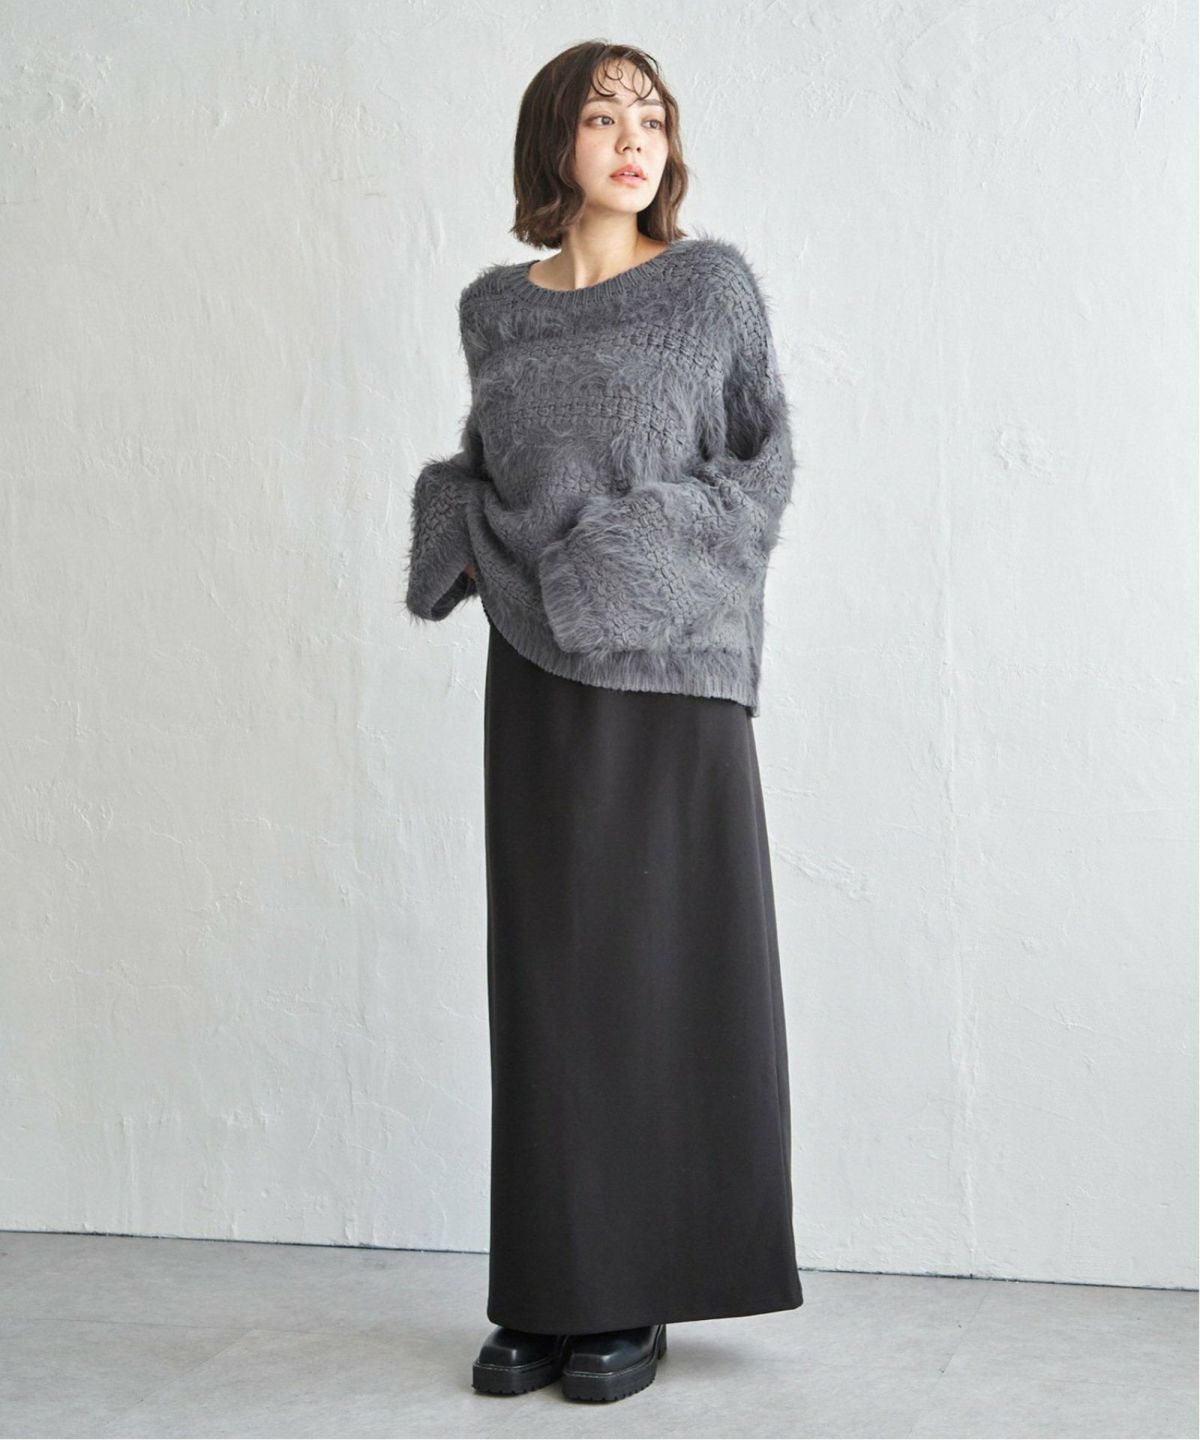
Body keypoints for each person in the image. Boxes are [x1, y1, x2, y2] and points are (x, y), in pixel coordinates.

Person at [405, 39, 804, 1406]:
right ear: (554, 145)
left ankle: (634, 1288)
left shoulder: (710, 288)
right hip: (537, 670)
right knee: (548, 979)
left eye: (652, 115)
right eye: (600, 114)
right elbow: (492, 466)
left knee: (659, 972)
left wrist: (628, 556)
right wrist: (459, 524)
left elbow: (761, 470)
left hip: (676, 671)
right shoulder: (494, 311)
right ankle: (548, 1283)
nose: (633, 137)